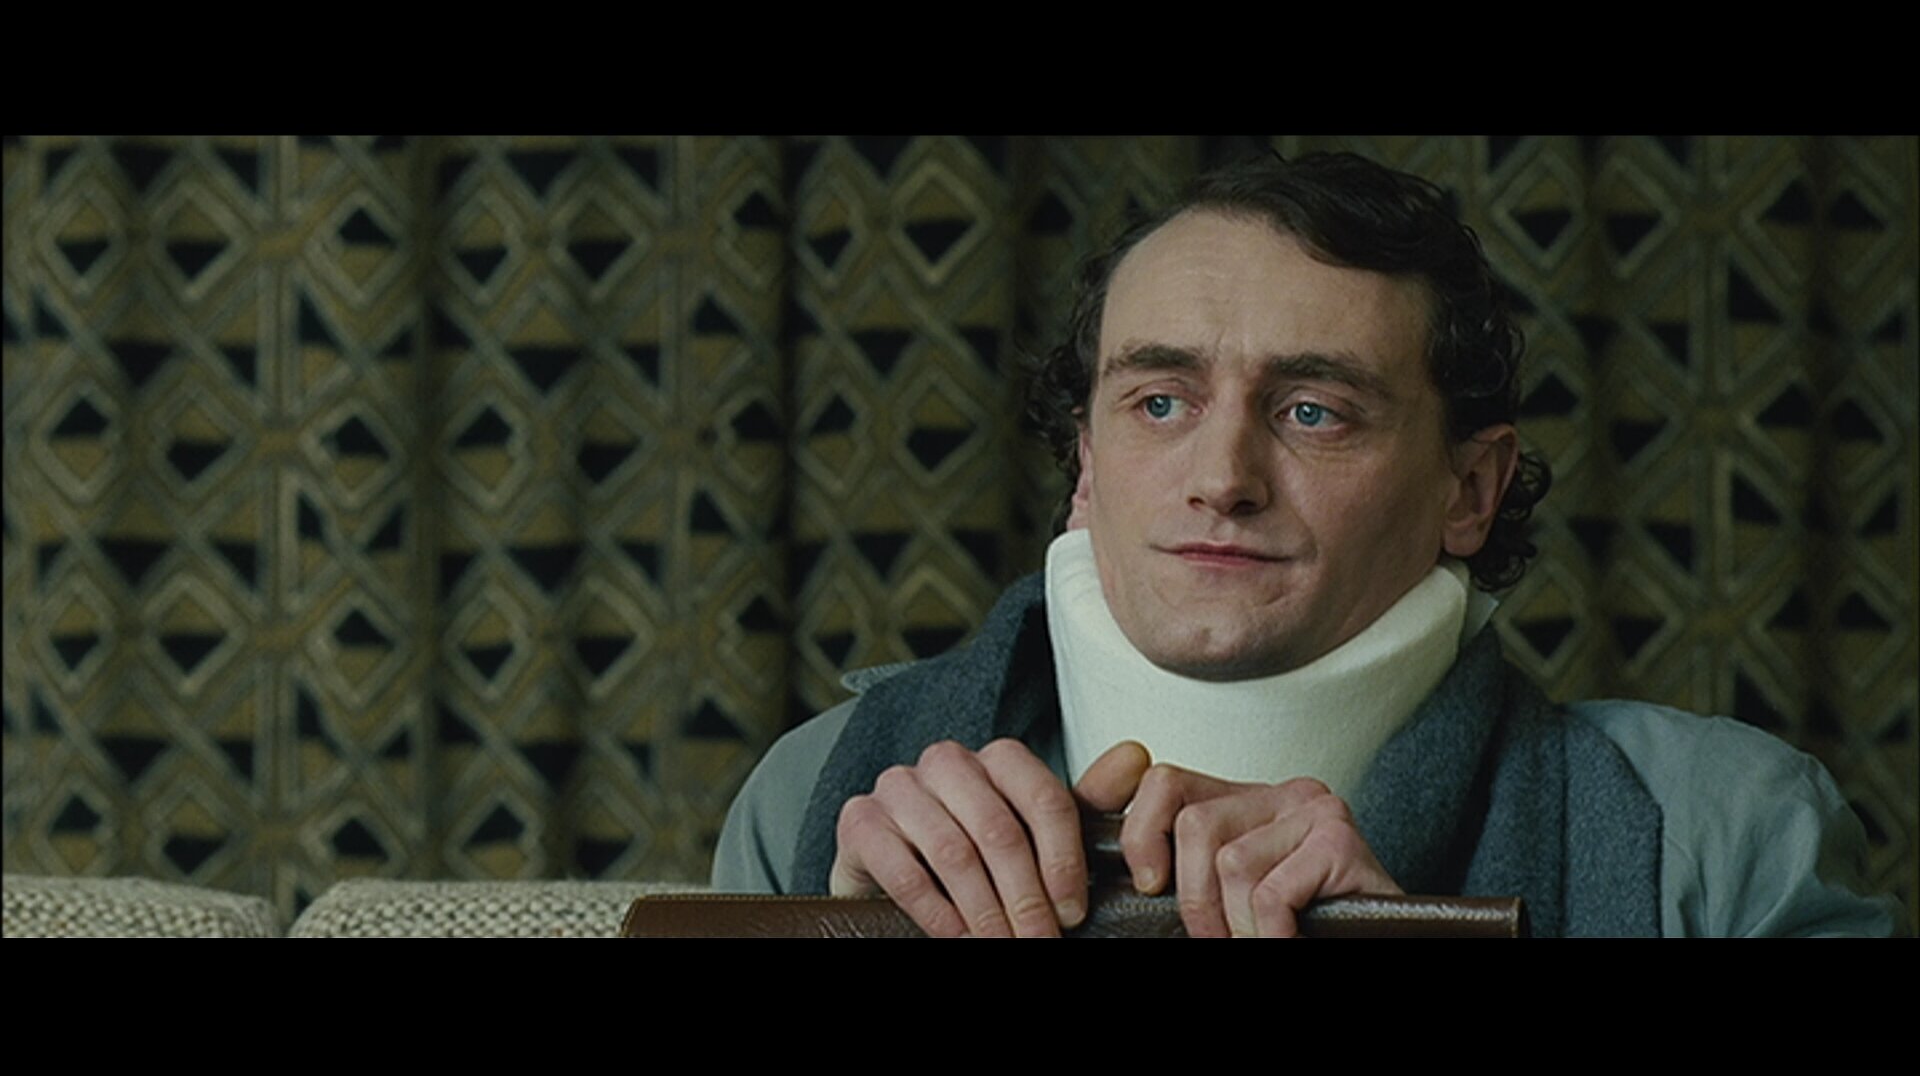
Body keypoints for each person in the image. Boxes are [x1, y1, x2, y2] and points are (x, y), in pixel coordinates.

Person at [711, 152, 1905, 937]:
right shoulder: (813, 802)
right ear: (1086, 463)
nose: (1221, 479)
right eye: (1160, 403)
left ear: (1469, 491)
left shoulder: (1727, 842)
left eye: (1313, 413)